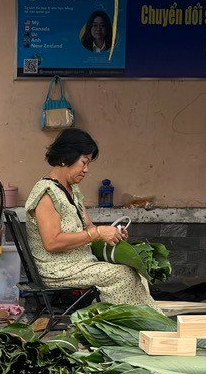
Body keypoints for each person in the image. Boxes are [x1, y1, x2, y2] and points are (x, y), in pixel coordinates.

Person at [25, 128, 156, 307]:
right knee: (122, 275)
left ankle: (146, 323)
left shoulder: (72, 190)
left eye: (88, 164)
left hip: (79, 262)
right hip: (58, 269)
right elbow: (52, 242)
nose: (86, 170)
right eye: (84, 162)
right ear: (66, 158)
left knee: (137, 269)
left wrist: (111, 234)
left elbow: (89, 227)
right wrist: (98, 233)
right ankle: (130, 327)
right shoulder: (47, 194)